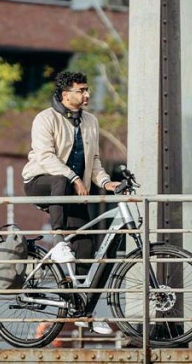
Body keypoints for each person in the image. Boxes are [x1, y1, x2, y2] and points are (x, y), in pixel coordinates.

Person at [22, 70, 120, 275]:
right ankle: (58, 241)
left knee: (85, 245)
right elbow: (45, 156)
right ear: (65, 94)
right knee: (60, 179)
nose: (87, 95)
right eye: (81, 90)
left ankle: (78, 299)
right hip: (41, 183)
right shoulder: (45, 118)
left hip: (72, 193)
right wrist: (74, 178)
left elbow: (93, 160)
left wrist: (105, 182)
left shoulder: (91, 121)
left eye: (87, 90)